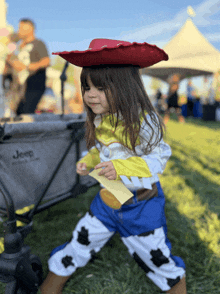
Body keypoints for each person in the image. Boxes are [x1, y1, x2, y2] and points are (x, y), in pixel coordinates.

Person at [40, 38, 187, 294]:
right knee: (80, 241)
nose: (90, 94)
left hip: (140, 206)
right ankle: (52, 283)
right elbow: (103, 151)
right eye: (86, 87)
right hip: (108, 202)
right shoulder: (102, 119)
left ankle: (176, 286)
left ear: (126, 87)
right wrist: (89, 161)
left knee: (156, 258)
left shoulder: (145, 122)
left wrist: (122, 167)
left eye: (100, 87)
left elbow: (158, 158)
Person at [4, 18, 50, 115]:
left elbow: (46, 61)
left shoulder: (38, 43)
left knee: (26, 113)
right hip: (18, 88)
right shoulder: (18, 46)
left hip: (33, 86)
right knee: (17, 113)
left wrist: (27, 67)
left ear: (30, 28)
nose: (19, 30)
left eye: (21, 27)